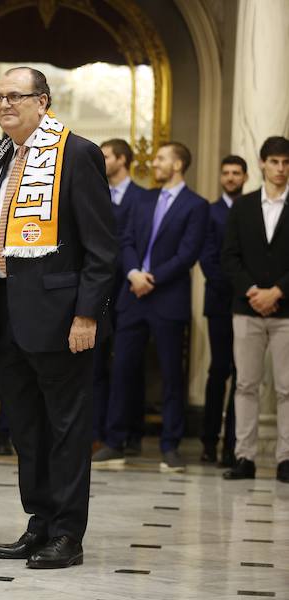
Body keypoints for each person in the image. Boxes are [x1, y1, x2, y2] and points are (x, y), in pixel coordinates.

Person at [0, 67, 117, 568]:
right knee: (26, 429)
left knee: (67, 429)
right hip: (9, 314)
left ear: (44, 101)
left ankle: (67, 533)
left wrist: (87, 316)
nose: (6, 104)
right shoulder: (1, 154)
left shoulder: (76, 153)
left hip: (60, 318)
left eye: (17, 96)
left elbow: (102, 248)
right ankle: (39, 523)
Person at [94, 142, 209, 472]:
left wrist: (151, 278)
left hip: (167, 299)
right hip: (132, 297)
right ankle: (114, 443)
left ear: (177, 165)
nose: (154, 163)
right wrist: (132, 274)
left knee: (172, 375)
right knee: (122, 371)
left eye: (160, 159)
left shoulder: (195, 205)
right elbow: (125, 240)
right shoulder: (143, 200)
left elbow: (187, 255)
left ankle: (170, 447)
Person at [221, 136, 289, 484]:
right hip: (246, 308)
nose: (280, 169)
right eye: (274, 162)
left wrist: (277, 290)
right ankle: (244, 457)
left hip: (286, 311)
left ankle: (286, 459)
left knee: (286, 388)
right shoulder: (243, 206)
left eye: (285, 163)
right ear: (262, 164)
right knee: (246, 384)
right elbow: (229, 256)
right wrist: (253, 292)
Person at [94, 138, 147, 454]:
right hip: (99, 291)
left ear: (123, 159)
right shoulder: (96, 192)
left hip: (131, 291)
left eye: (106, 156)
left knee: (129, 366)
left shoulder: (143, 198)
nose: (101, 160)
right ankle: (98, 433)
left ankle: (130, 433)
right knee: (96, 365)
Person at [199, 155, 247, 466]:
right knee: (219, 371)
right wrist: (234, 285)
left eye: (236, 173)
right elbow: (208, 258)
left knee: (243, 375)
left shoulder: (251, 209)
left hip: (247, 303)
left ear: (245, 176)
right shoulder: (211, 211)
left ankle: (233, 445)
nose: (230, 178)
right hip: (218, 302)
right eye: (225, 172)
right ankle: (208, 442)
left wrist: (246, 289)